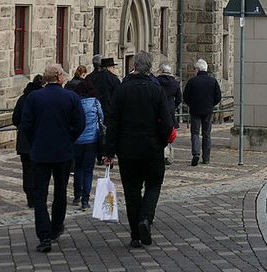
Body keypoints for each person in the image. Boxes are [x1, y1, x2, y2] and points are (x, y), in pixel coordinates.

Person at [103, 50, 173, 248]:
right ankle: (145, 219)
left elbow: (112, 123)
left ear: (134, 67)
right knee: (153, 184)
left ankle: (135, 234)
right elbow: (167, 123)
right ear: (149, 69)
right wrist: (160, 142)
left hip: (127, 150)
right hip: (152, 148)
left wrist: (109, 151)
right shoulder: (156, 90)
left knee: (132, 191)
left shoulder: (122, 90)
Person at [21, 64, 85, 253]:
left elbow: (25, 125)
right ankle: (56, 228)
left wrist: (35, 141)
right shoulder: (71, 97)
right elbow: (80, 124)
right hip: (63, 152)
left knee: (39, 195)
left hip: (40, 152)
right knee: (60, 192)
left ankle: (44, 235)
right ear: (58, 77)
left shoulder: (34, 98)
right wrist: (69, 138)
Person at [71, 78, 103, 210]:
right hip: (92, 140)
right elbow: (102, 117)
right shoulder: (95, 103)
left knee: (78, 168)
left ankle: (77, 196)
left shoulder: (76, 103)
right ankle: (85, 200)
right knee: (88, 171)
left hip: (77, 140)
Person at [182, 58, 221, 166]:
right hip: (208, 110)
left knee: (195, 133)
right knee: (206, 134)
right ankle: (206, 158)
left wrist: (191, 104)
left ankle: (196, 153)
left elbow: (185, 96)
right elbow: (218, 96)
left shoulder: (192, 81)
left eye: (195, 68)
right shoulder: (213, 81)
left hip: (195, 110)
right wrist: (211, 104)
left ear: (198, 69)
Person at [12, 74, 43, 207]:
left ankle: (30, 197)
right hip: (38, 140)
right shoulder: (41, 100)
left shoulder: (22, 99)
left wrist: (21, 127)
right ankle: (36, 197)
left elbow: (15, 119)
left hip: (24, 140)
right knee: (38, 170)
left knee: (27, 170)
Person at [157, 63, 182, 164]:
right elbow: (179, 98)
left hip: (158, 109)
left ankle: (160, 153)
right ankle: (166, 153)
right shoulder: (175, 83)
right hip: (170, 109)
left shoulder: (157, 81)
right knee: (169, 132)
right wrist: (174, 106)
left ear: (161, 71)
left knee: (158, 132)